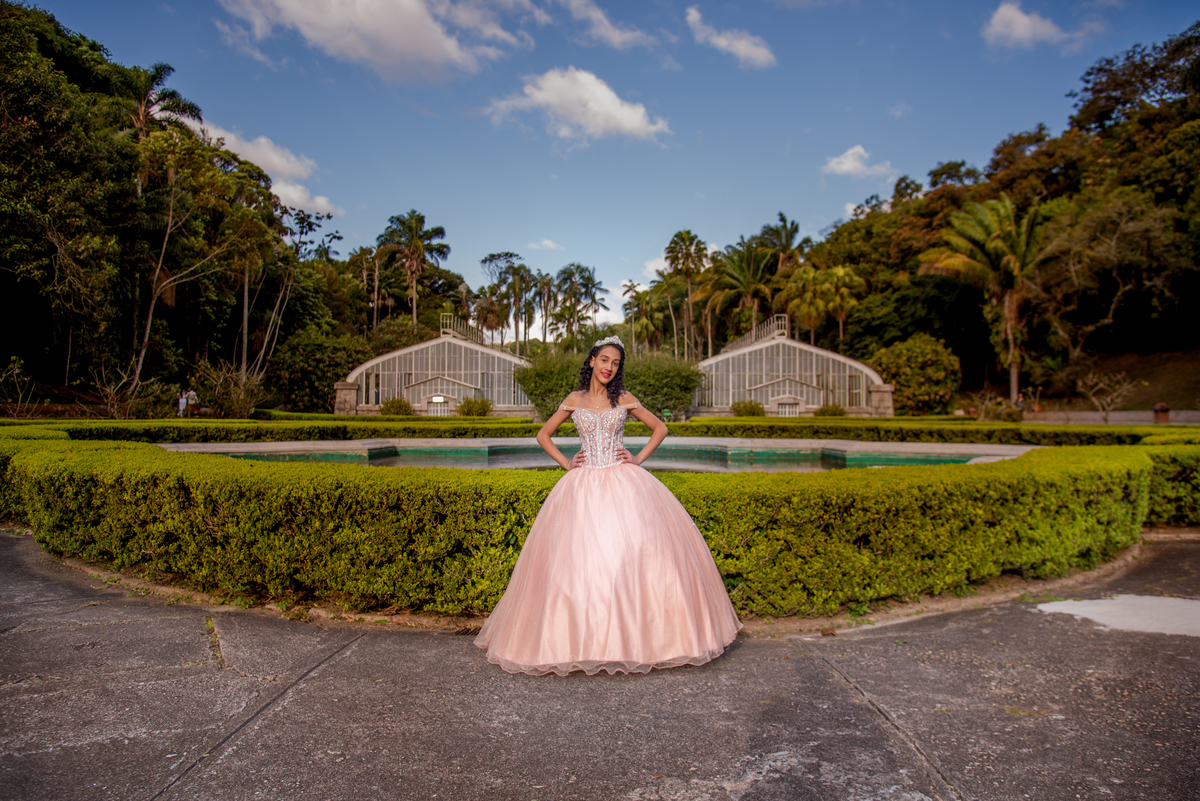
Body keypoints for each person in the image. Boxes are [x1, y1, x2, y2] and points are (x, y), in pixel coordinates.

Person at [475, 335, 741, 676]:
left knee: (628, 556)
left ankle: (638, 641)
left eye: (615, 363)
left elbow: (660, 428)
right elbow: (543, 435)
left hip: (623, 482)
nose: (609, 367)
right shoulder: (574, 399)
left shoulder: (624, 398)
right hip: (582, 485)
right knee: (577, 563)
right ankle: (581, 642)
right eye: (604, 360)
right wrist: (566, 462)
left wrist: (638, 458)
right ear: (592, 361)